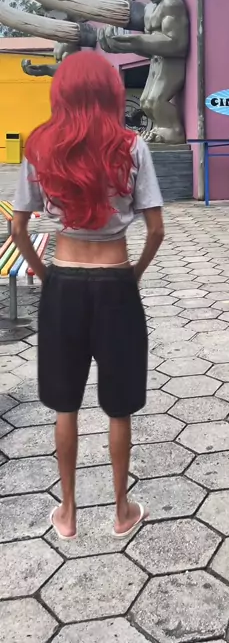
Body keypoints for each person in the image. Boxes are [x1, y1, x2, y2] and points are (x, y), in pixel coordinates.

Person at [12, 51, 165, 540]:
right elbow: (156, 230)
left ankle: (68, 511)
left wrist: (45, 274)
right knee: (119, 406)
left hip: (65, 284)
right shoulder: (132, 146)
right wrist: (133, 274)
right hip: (116, 283)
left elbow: (17, 228)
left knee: (66, 405)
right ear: (110, 92)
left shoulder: (41, 147)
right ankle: (121, 510)